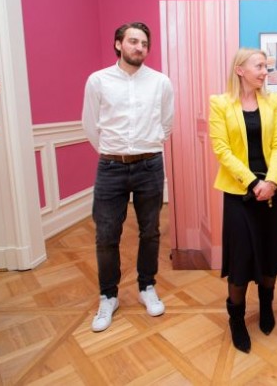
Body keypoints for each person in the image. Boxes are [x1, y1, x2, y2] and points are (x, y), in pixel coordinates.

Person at [82, 22, 174, 332]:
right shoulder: (98, 81)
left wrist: (147, 146)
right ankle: (108, 296)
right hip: (111, 167)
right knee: (106, 235)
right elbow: (90, 124)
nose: (139, 48)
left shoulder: (160, 82)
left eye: (144, 43)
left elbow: (167, 123)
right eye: (133, 41)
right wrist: (114, 151)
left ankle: (147, 286)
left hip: (150, 165)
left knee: (150, 231)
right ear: (118, 44)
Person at [208, 48, 277, 354]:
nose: (264, 72)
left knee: (270, 253)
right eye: (259, 66)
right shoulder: (220, 103)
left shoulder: (272, 101)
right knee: (241, 258)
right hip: (239, 193)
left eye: (266, 67)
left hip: (272, 190)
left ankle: (266, 307)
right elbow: (222, 149)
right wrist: (253, 182)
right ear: (240, 70)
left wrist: (270, 182)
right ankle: (237, 320)